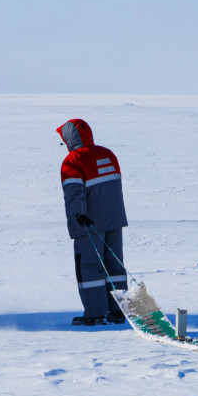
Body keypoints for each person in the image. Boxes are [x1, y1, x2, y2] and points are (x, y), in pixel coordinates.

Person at [57, 119, 129, 327]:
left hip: (89, 222)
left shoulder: (73, 160)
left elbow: (73, 192)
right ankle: (118, 311)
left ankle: (95, 313)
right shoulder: (107, 154)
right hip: (114, 219)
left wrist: (78, 215)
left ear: (70, 139)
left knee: (90, 269)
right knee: (114, 267)